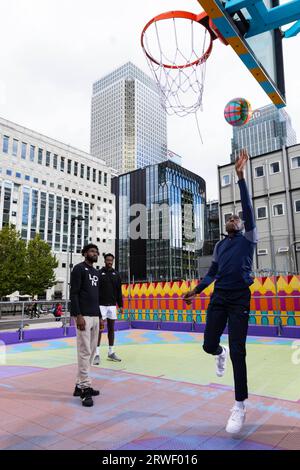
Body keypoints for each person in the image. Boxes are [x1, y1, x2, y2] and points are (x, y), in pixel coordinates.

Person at [184, 149, 258, 435]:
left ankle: (239, 405)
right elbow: (212, 274)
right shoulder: (218, 246)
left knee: (240, 351)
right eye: (230, 217)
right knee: (207, 344)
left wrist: (240, 178)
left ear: (241, 226)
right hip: (218, 297)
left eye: (236, 218)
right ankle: (219, 351)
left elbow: (249, 211)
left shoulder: (249, 238)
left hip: (240, 297)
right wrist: (195, 291)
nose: (233, 218)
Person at [70, 243, 102, 407]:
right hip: (84, 317)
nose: (95, 253)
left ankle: (78, 385)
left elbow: (97, 297)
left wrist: (100, 316)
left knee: (90, 353)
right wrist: (78, 315)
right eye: (91, 251)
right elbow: (74, 293)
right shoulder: (78, 269)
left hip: (95, 316)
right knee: (84, 352)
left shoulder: (96, 272)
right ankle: (85, 389)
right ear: (84, 253)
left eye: (96, 252)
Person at [93, 253, 123, 364]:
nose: (110, 262)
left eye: (111, 260)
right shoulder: (99, 273)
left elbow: (119, 292)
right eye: (108, 260)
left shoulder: (117, 274)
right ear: (104, 261)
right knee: (100, 329)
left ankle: (111, 352)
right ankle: (96, 354)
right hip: (101, 305)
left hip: (112, 306)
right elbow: (95, 291)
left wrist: (120, 305)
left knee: (111, 329)